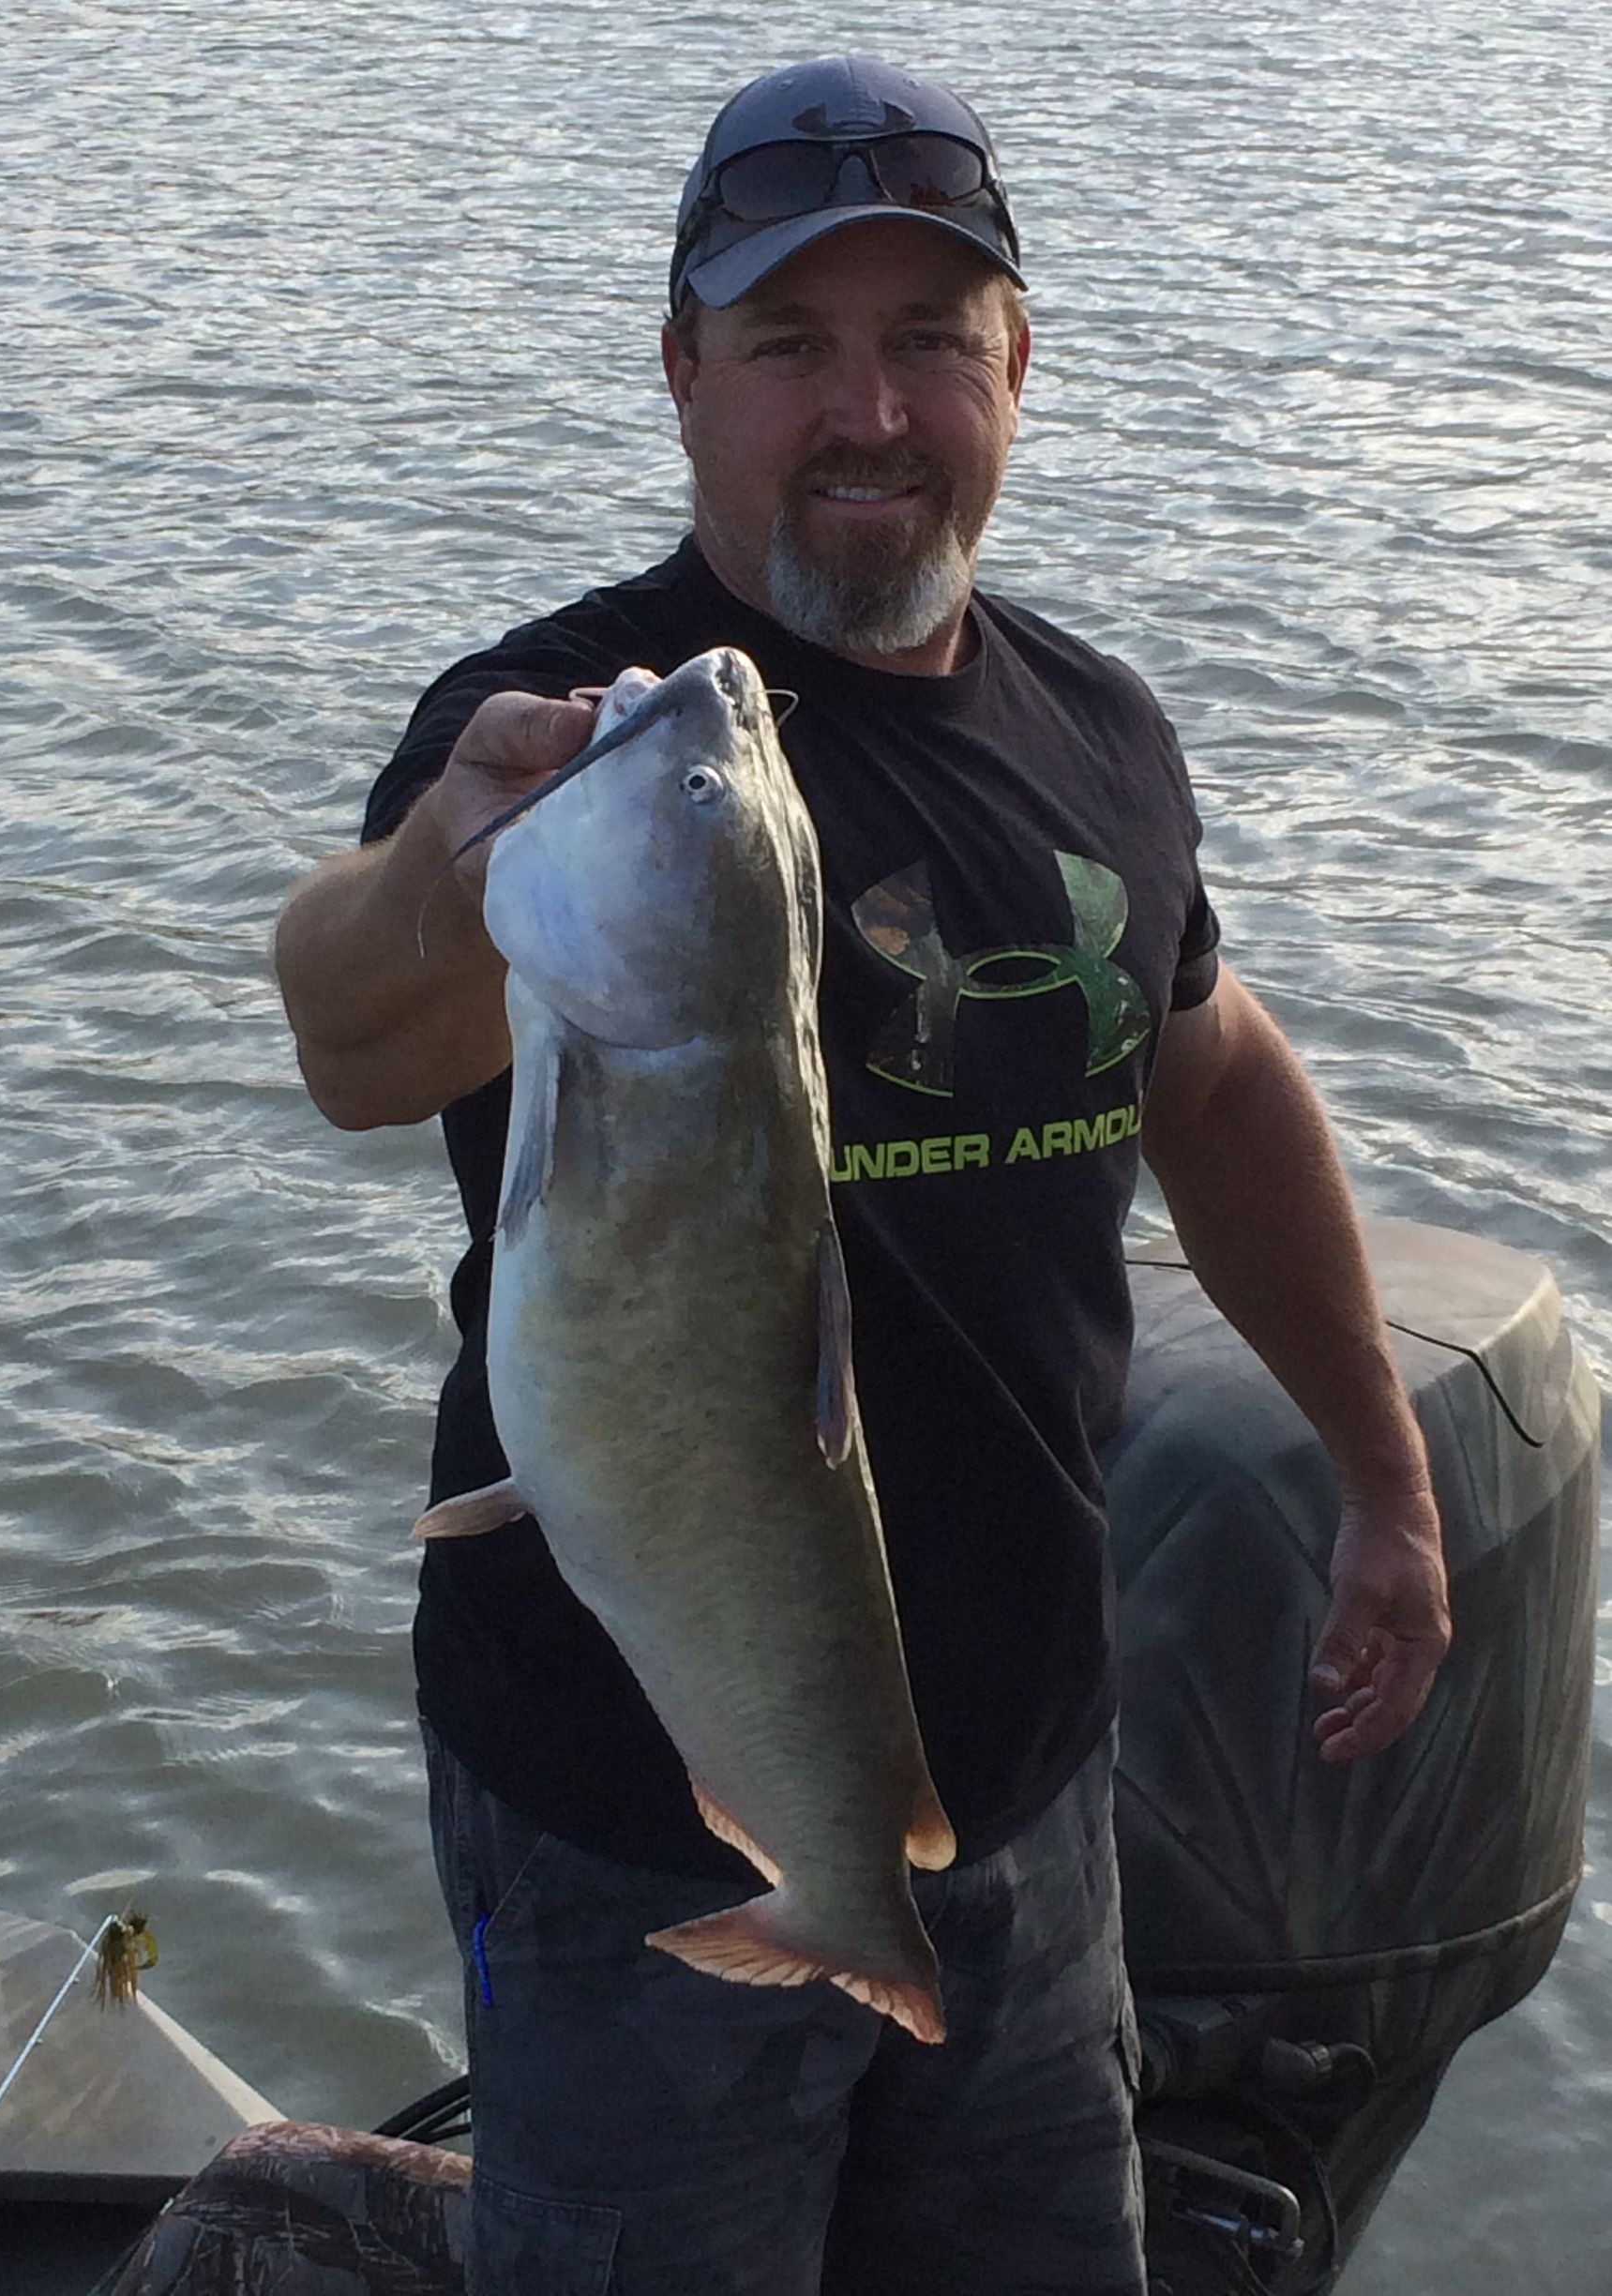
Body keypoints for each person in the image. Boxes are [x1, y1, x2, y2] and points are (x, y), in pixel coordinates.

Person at [275, 54, 1452, 2296]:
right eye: (793, 345)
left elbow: (1212, 1085)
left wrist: (1385, 1480)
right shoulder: (566, 743)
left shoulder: (1095, 732)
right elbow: (351, 1033)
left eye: (929, 339)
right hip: (632, 1827)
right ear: (684, 377)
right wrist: (449, 858)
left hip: (1023, 1782)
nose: (870, 411)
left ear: (1017, 370)